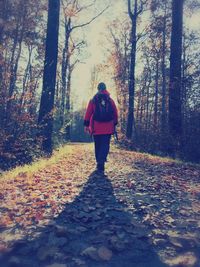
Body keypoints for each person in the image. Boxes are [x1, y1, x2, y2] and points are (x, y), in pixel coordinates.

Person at [84, 82, 118, 173]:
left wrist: (86, 125)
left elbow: (88, 113)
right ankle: (101, 162)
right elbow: (115, 113)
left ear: (98, 89)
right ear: (105, 89)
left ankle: (99, 162)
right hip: (108, 127)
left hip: (96, 127)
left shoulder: (93, 100)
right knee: (105, 145)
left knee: (98, 145)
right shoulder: (110, 100)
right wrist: (114, 123)